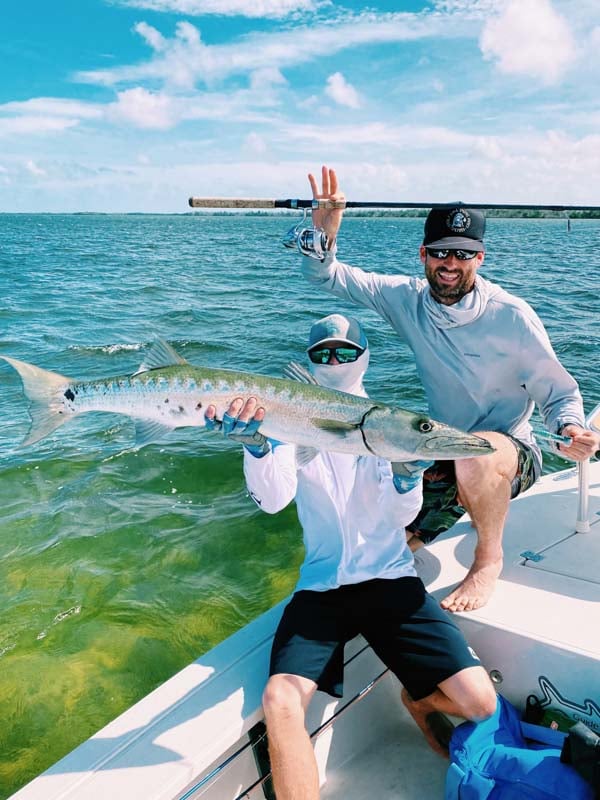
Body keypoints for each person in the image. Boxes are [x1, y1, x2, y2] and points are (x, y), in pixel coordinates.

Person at [205, 313, 498, 800]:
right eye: (323, 353)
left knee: (482, 703)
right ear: (310, 361)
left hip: (389, 578)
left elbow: (398, 516)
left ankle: (419, 699)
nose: (335, 359)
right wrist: (257, 447)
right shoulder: (284, 414)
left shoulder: (390, 425)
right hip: (321, 586)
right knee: (280, 701)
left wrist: (407, 476)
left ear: (365, 355)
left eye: (345, 350)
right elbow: (273, 500)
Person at [293, 166, 600, 614]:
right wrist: (324, 234)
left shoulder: (512, 316)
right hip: (443, 449)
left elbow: (558, 393)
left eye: (462, 253)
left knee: (478, 454)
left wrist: (571, 427)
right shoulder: (406, 299)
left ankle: (488, 559)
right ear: (422, 254)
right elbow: (328, 279)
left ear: (481, 258)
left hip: (512, 454)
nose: (450, 264)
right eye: (440, 253)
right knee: (389, 540)